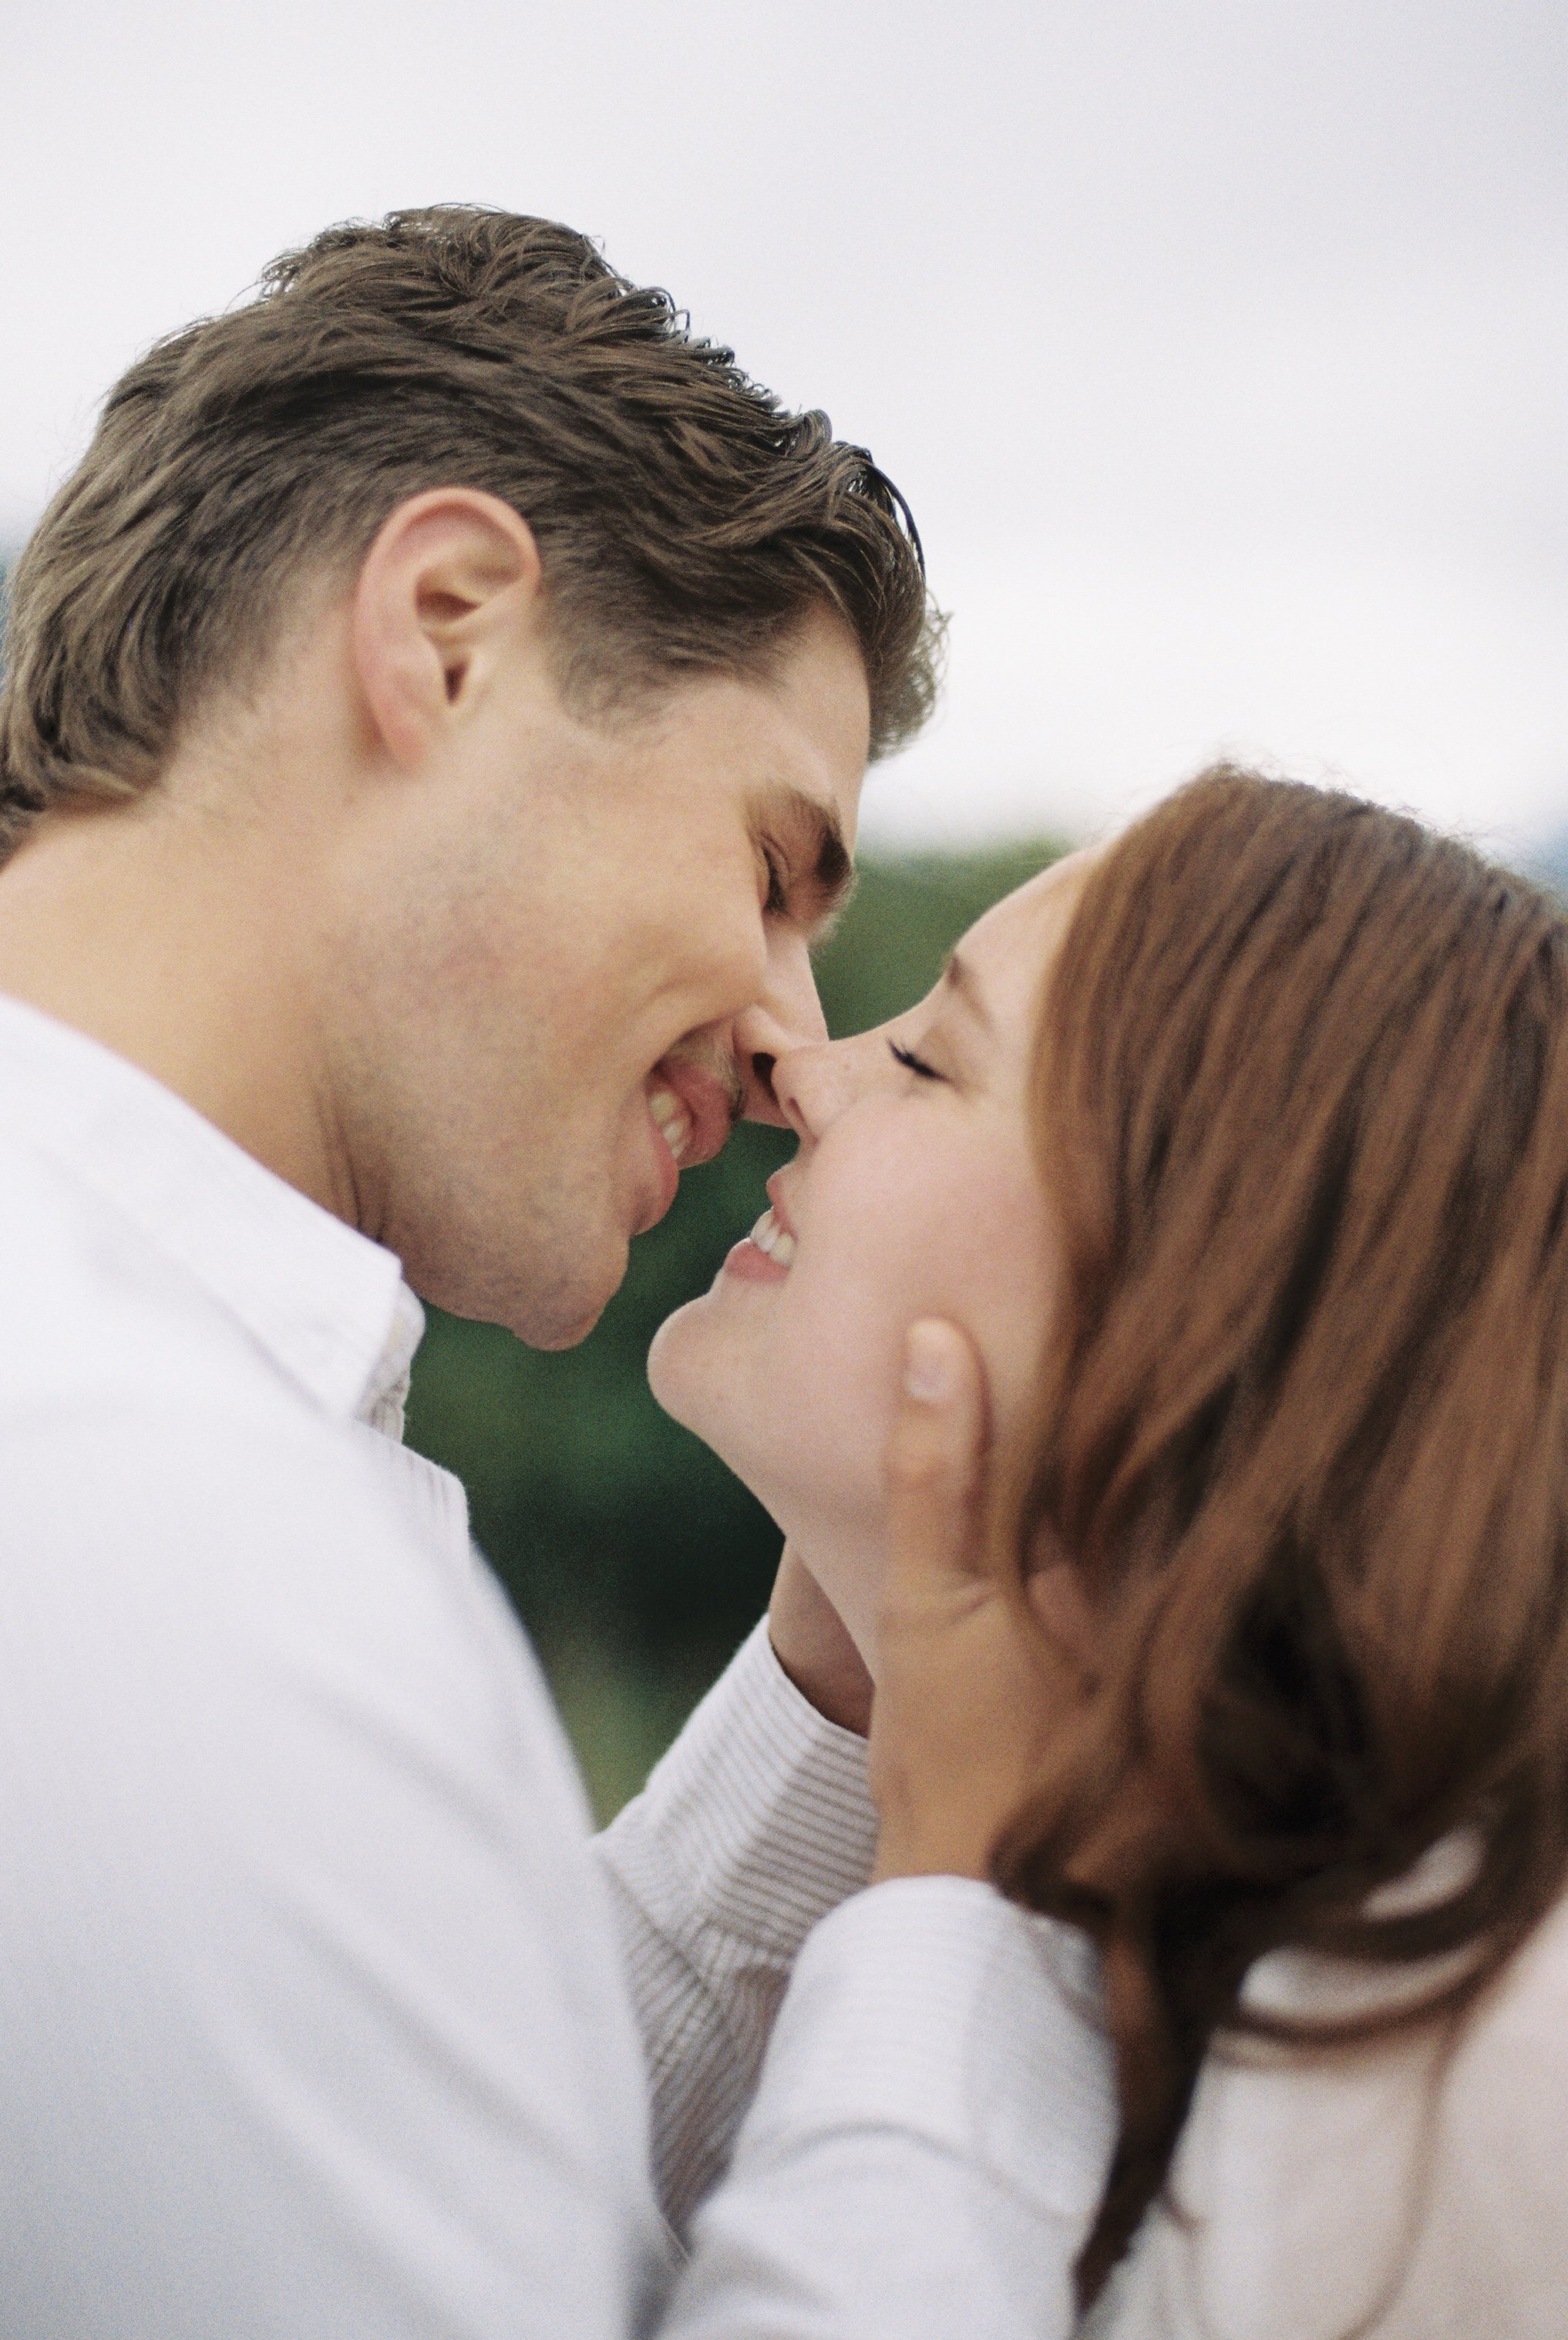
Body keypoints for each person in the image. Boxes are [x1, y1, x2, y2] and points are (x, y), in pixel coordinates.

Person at [0, 207, 1117, 2338]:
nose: (797, 1029)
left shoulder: (155, 1404)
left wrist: (832, 1707)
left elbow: (445, 2133)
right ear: (443, 633)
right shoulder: (149, 1514)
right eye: (773, 863)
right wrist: (957, 1896)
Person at [651, 762, 1568, 2337]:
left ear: (1199, 1313)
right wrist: (842, 1708)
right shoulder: (1238, 1972)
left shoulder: (1493, 2081)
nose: (804, 1065)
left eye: (933, 1059)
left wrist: (944, 1891)